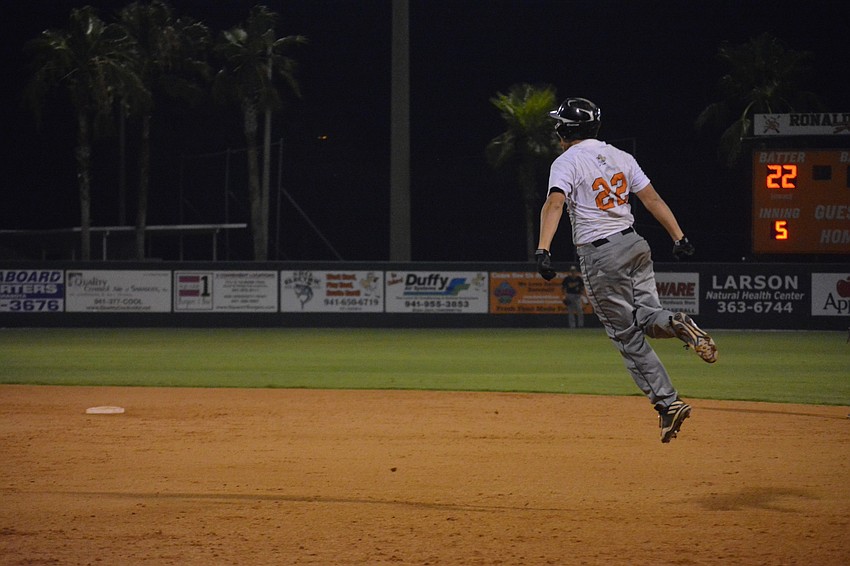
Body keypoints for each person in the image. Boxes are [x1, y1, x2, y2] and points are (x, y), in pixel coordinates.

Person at [534, 97, 717, 443]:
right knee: (648, 316)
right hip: (635, 243)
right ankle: (676, 322)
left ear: (565, 129)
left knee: (626, 336)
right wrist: (679, 237)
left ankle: (667, 403)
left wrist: (543, 248)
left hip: (601, 255)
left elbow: (555, 202)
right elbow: (652, 200)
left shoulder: (566, 161)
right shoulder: (621, 156)